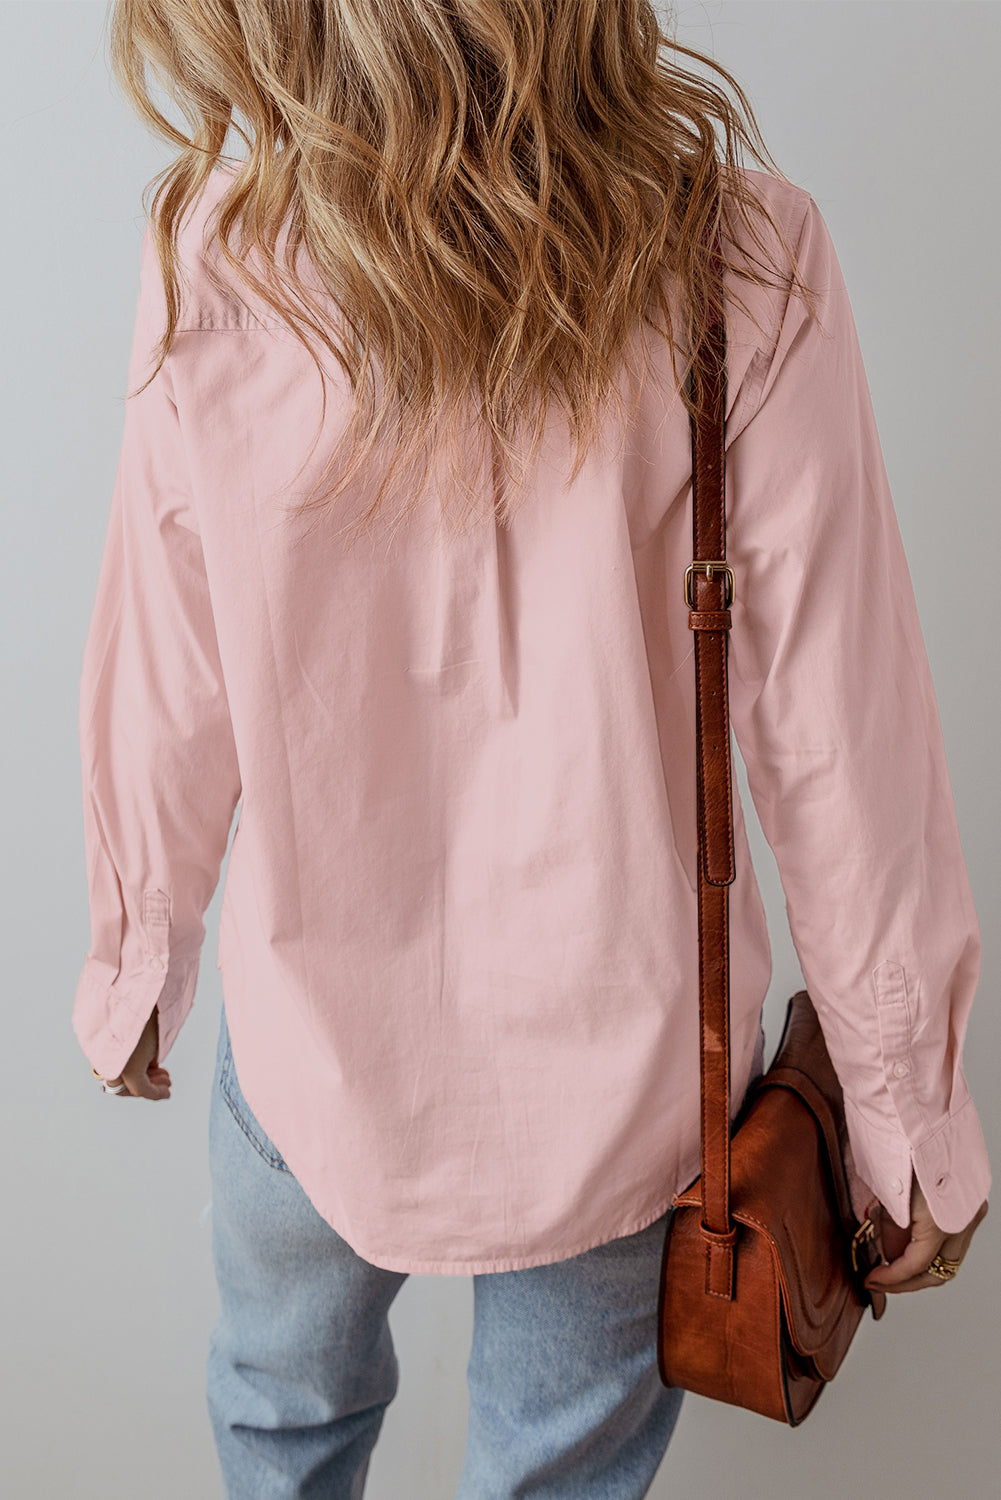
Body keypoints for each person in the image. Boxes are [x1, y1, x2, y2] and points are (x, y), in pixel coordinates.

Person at [73, 2, 990, 1496]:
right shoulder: (740, 258)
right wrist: (907, 1119)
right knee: (549, 1484)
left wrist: (134, 965)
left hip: (311, 1041)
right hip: (624, 1074)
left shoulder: (219, 254)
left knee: (278, 1422)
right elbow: (840, 742)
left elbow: (165, 674)